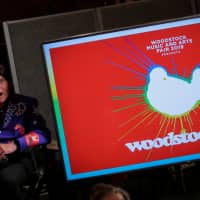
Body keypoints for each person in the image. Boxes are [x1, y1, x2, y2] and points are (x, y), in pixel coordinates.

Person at [0, 64, 50, 200]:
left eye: (0, 81)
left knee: (7, 179)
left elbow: (43, 135)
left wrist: (14, 145)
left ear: (8, 82)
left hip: (18, 160)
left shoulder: (24, 104)